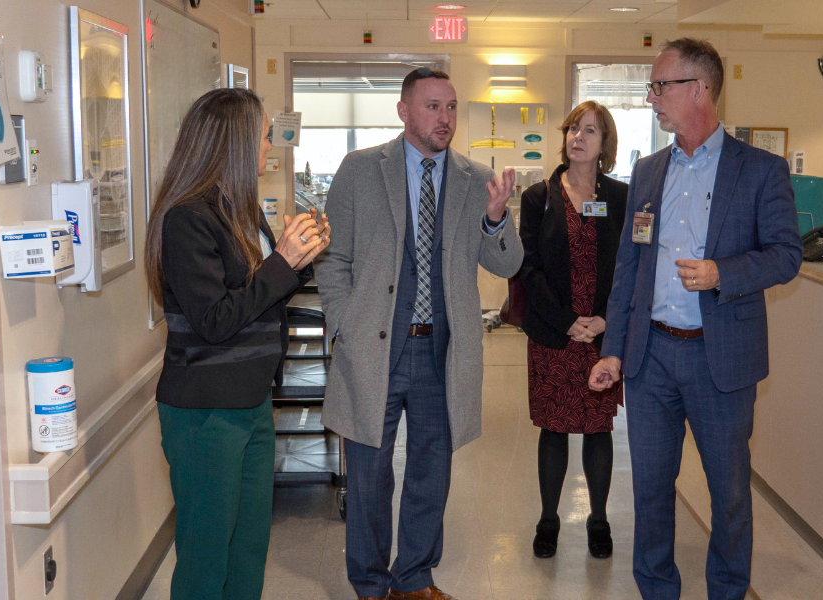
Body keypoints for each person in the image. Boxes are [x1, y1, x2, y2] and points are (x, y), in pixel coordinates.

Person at [588, 39, 803, 600]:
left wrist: (721, 273)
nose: (651, 98)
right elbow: (629, 266)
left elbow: (786, 255)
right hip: (651, 358)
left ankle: (727, 592)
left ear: (700, 89)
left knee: (728, 495)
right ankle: (657, 590)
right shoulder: (648, 171)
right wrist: (614, 349)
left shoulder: (760, 170)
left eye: (660, 86)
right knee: (651, 493)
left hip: (720, 360)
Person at [318, 68, 523, 600]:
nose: (445, 118)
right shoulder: (361, 170)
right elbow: (333, 258)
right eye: (432, 107)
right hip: (374, 348)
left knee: (431, 472)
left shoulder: (477, 179)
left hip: (442, 351)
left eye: (451, 107)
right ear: (404, 111)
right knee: (369, 474)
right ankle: (370, 584)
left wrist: (496, 220)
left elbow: (507, 265)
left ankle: (413, 579)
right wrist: (343, 324)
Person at [144, 88, 330, 600]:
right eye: (264, 135)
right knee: (207, 557)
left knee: (247, 549)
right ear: (235, 142)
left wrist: (300, 260)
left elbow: (256, 296)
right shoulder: (188, 217)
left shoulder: (238, 210)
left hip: (250, 399)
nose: (270, 144)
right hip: (205, 410)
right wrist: (281, 262)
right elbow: (215, 319)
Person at [518, 101, 627, 560]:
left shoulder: (619, 197)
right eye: (573, 129)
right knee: (554, 428)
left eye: (590, 131)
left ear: (605, 144)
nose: (578, 137)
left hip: (601, 336)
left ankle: (598, 520)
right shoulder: (538, 197)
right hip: (554, 333)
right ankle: (548, 519)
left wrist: (604, 319)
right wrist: (567, 320)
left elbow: (629, 267)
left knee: (598, 429)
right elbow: (529, 268)